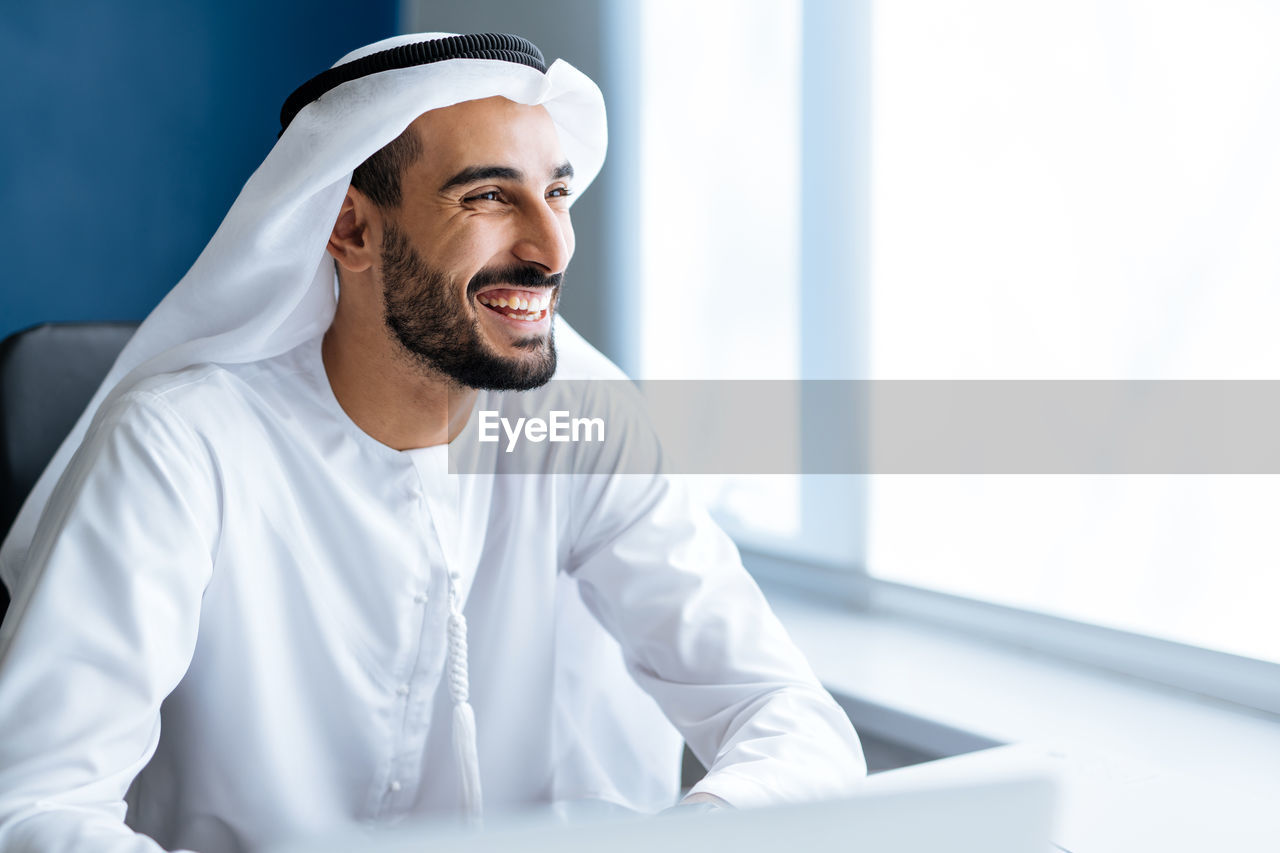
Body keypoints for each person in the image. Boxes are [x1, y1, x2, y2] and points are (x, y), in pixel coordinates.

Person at [0, 32, 865, 853]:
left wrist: (694, 831)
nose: (551, 244)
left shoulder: (584, 422)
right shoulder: (182, 447)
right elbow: (33, 808)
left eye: (557, 193)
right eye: (489, 196)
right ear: (351, 230)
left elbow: (791, 720)